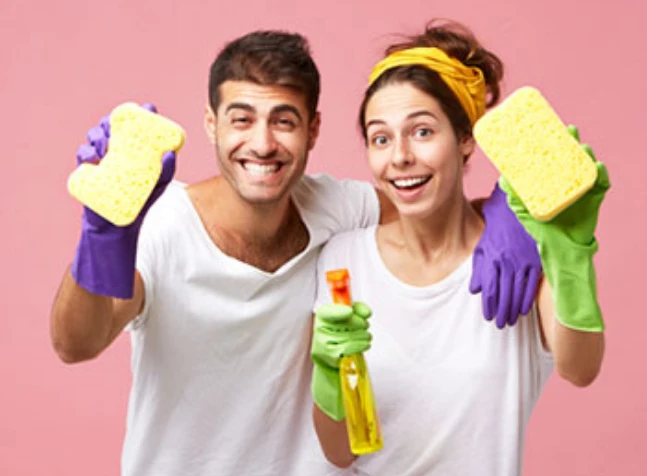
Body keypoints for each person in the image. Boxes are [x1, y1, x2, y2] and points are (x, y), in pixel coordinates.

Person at [50, 30, 541, 475]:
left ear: (313, 129)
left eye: (283, 121)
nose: (262, 144)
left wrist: (507, 212)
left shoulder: (338, 208)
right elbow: (77, 343)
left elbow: (429, 201)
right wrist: (104, 237)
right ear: (211, 124)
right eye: (241, 119)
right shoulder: (160, 225)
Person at [310, 20, 609, 475]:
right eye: (380, 138)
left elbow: (580, 368)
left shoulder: (522, 263)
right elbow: (340, 452)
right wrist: (329, 379)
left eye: (423, 132)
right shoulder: (342, 261)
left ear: (467, 140)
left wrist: (568, 251)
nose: (400, 157)